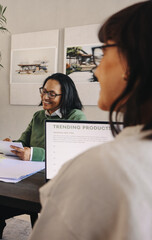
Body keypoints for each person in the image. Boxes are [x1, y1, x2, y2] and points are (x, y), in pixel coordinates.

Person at [29, 1, 152, 239]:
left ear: (132, 61)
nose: (95, 70)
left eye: (104, 52)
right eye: (43, 91)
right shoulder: (37, 116)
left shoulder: (98, 169)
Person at [0, 73, 86, 240]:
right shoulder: (38, 116)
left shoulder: (76, 117)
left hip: (47, 185)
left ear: (66, 95)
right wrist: (13, 144)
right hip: (24, 177)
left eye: (51, 94)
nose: (45, 97)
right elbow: (24, 140)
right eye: (43, 91)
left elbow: (65, 153)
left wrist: (31, 153)